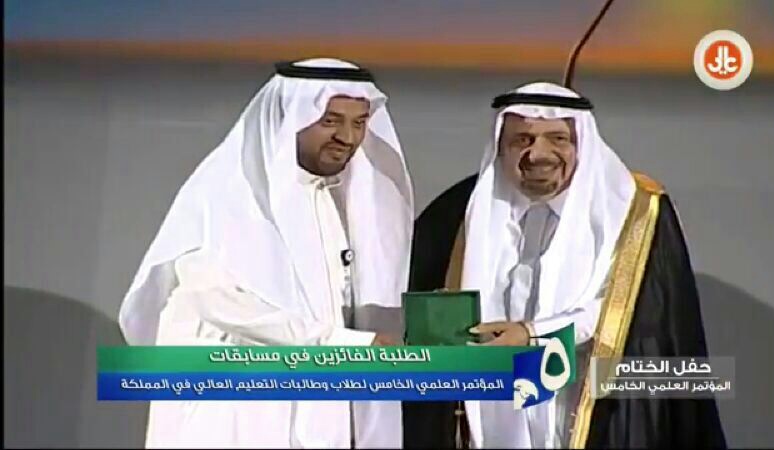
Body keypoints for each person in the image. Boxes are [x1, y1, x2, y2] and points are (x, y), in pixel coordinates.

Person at [402, 81, 727, 448]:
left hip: (586, 409)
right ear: (500, 146)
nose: (538, 154)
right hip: (489, 416)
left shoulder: (632, 213)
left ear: (582, 144)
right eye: (522, 140)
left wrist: (532, 333)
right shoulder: (460, 212)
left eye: (557, 139)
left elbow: (632, 312)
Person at [118, 58, 414, 448]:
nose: (347, 137)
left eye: (359, 123)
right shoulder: (227, 192)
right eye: (330, 121)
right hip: (232, 414)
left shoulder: (337, 202)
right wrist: (352, 345)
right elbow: (223, 303)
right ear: (290, 117)